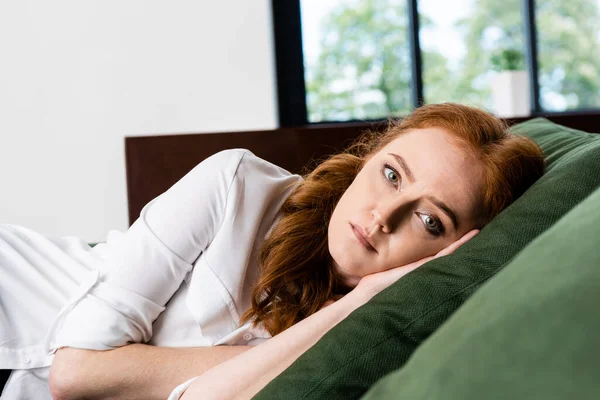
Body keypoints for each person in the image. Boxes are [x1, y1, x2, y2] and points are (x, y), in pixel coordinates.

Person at [0, 103, 544, 400]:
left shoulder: (378, 334)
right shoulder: (235, 184)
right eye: (390, 174)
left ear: (453, 252)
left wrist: (358, 305)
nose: (383, 217)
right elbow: (74, 374)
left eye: (429, 220)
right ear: (368, 157)